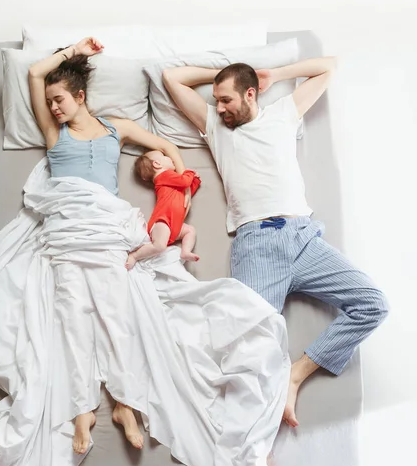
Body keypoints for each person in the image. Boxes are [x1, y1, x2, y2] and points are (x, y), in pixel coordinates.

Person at [162, 56, 389, 428]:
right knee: (249, 351)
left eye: (226, 99)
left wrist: (274, 75)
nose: (219, 108)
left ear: (251, 94)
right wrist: (222, 77)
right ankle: (255, 450)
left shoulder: (284, 113)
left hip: (303, 238)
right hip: (257, 245)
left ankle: (296, 375)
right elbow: (172, 77)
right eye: (216, 100)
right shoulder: (216, 127)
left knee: (373, 304)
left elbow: (329, 67)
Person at [28, 36, 190, 454]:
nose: (54, 108)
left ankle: (124, 404)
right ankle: (83, 409)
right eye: (50, 102)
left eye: (60, 99)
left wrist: (183, 185)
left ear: (80, 97)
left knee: (116, 316)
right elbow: (33, 72)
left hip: (103, 228)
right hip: (68, 228)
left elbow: (167, 146)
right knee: (73, 314)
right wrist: (73, 48)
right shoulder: (54, 134)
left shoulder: (116, 129)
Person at [125, 150, 201, 270]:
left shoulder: (171, 181)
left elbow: (187, 190)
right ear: (157, 164)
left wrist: (195, 181)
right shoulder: (163, 176)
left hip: (174, 226)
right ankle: (135, 256)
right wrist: (189, 173)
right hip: (163, 220)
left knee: (190, 230)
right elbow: (185, 181)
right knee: (160, 246)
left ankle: (185, 251)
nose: (170, 158)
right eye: (165, 156)